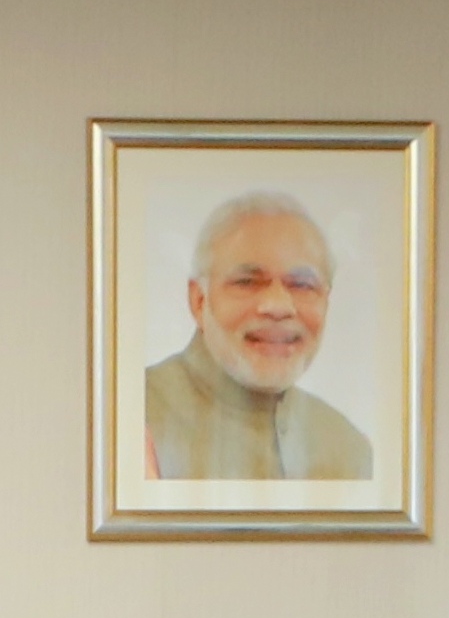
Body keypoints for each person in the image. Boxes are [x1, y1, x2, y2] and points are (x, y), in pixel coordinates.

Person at [144, 191, 372, 481]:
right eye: (247, 281)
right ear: (199, 300)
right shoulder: (128, 420)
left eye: (302, 284)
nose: (278, 307)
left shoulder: (349, 449)